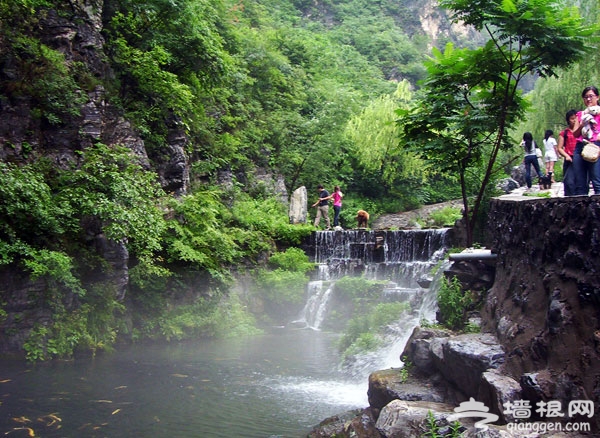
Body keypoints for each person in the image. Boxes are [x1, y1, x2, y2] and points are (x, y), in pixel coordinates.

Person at [572, 86, 600, 195]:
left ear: (597, 97)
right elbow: (575, 133)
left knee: (597, 180)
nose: (588, 99)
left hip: (596, 146)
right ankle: (581, 210)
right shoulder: (581, 114)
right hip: (580, 147)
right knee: (580, 183)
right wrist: (582, 125)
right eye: (585, 97)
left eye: (591, 96)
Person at [557, 109, 578, 196]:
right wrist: (566, 156)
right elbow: (559, 148)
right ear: (568, 120)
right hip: (569, 159)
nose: (574, 120)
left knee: (580, 181)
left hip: (580, 159)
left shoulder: (582, 131)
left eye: (576, 118)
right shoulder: (564, 133)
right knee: (569, 182)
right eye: (572, 119)